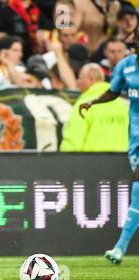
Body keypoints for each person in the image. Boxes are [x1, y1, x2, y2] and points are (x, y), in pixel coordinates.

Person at [79, 31, 139, 264]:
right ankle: (120, 248)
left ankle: (119, 247)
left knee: (137, 186)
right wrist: (93, 101)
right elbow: (114, 90)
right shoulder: (125, 66)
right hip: (134, 138)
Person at [60, 63, 128, 151]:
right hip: (121, 162)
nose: (77, 82)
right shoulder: (121, 104)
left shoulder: (84, 104)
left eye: (80, 78)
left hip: (91, 162)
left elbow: (73, 138)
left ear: (91, 79)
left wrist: (65, 161)